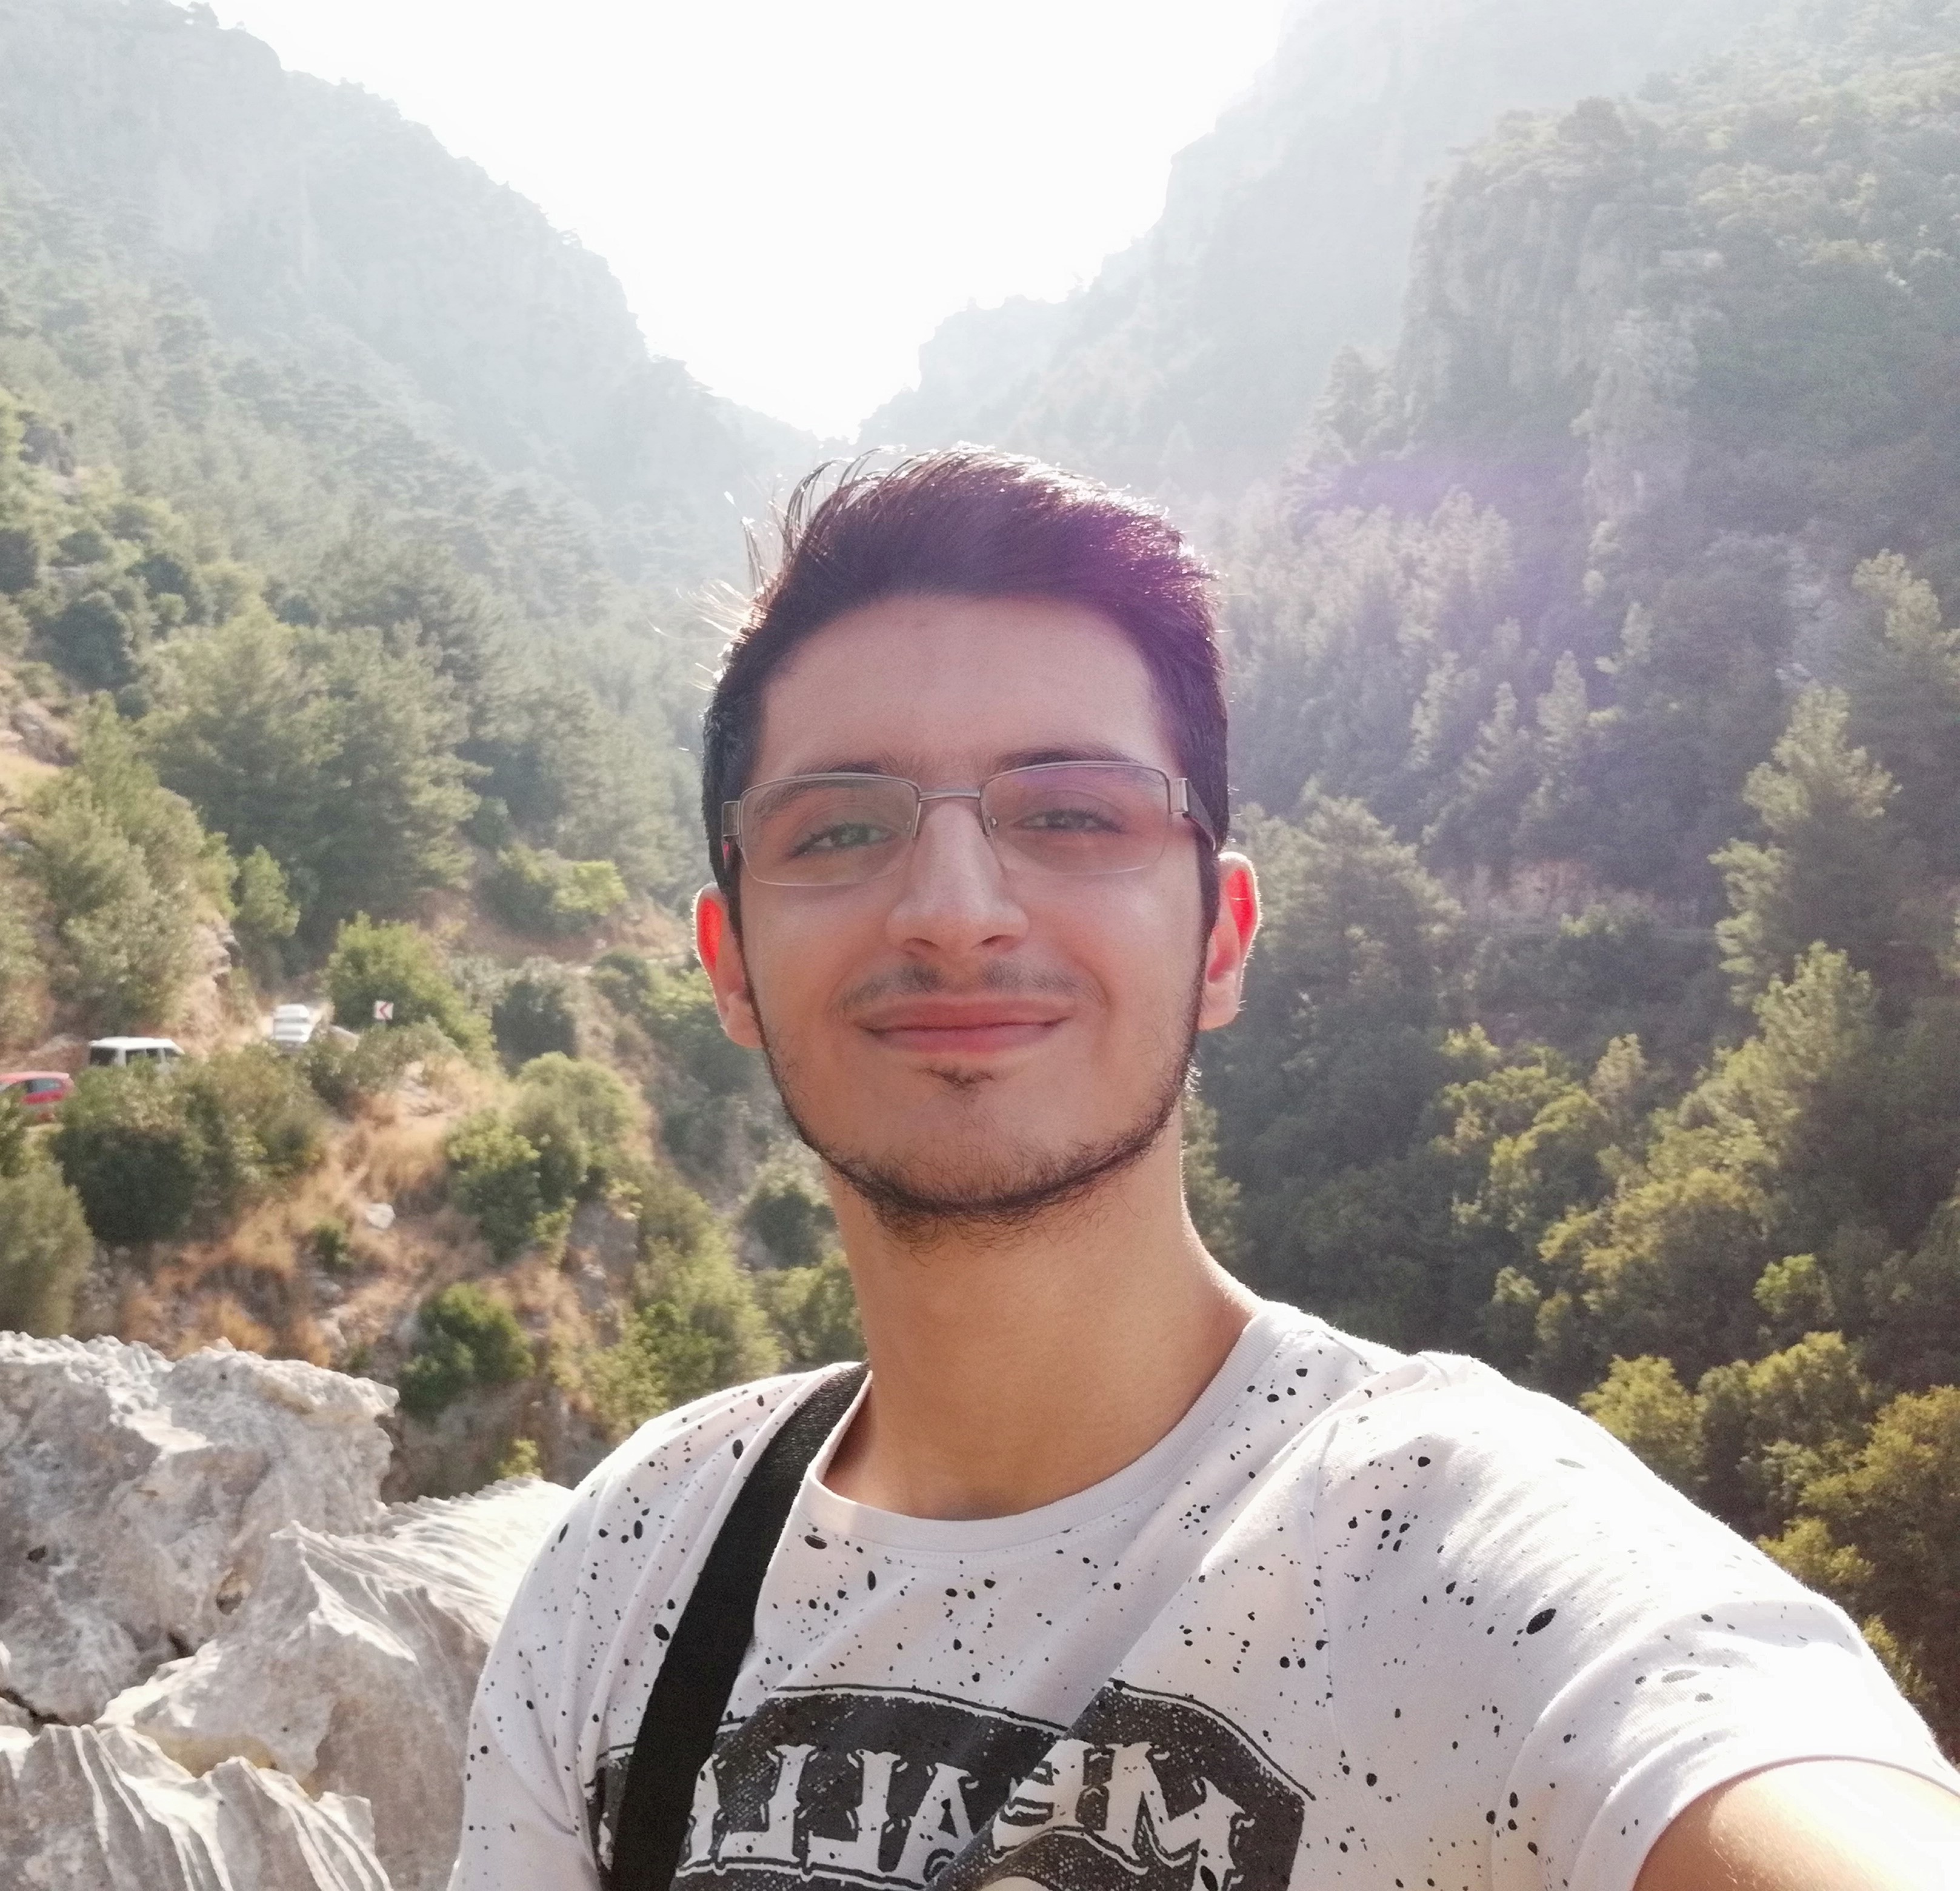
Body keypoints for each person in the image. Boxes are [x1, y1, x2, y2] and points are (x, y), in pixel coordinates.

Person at [452, 451, 1960, 1891]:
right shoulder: (641, 1560)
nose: (956, 909)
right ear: (729, 962)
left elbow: (1755, 1766)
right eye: (840, 829)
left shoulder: (1452, 1546)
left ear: (1221, 938)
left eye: (1072, 815)